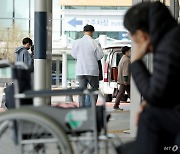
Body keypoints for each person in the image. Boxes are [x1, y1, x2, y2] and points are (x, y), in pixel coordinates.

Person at [123, 1, 180, 154]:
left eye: (133, 36)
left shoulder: (169, 45)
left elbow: (155, 94)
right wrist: (149, 102)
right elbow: (166, 88)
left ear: (141, 35)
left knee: (149, 118)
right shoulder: (172, 38)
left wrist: (135, 62)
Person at [71, 25, 104, 107]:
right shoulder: (95, 42)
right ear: (92, 32)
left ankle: (82, 108)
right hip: (92, 71)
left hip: (81, 70)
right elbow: (100, 56)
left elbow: (74, 55)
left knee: (82, 91)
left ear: (83, 32)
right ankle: (91, 108)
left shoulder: (76, 42)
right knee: (94, 90)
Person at [113, 46, 131, 110]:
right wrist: (125, 80)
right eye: (130, 51)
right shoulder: (126, 60)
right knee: (121, 92)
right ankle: (116, 105)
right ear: (126, 52)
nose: (131, 52)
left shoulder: (123, 58)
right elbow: (125, 71)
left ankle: (116, 105)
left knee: (128, 92)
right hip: (124, 80)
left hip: (122, 79)